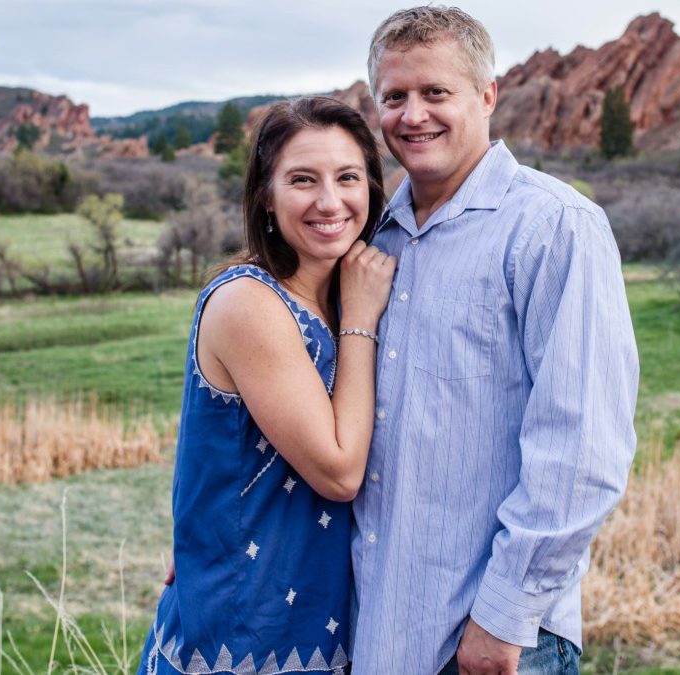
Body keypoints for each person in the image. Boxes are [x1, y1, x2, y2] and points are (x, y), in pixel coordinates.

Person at [350, 7, 640, 675]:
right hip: (381, 628)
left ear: (486, 96)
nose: (412, 114)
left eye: (435, 92)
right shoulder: (371, 240)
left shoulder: (554, 226)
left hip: (495, 641)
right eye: (394, 97)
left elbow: (583, 446)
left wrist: (503, 616)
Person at [137, 96, 395, 675]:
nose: (331, 201)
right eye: (303, 179)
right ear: (266, 196)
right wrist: (360, 317)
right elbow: (339, 471)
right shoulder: (249, 301)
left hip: (326, 627)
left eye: (348, 177)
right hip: (241, 635)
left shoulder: (341, 293)